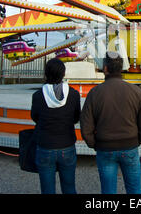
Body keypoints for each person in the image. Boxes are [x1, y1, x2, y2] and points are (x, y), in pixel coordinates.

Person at [80, 51, 141, 194]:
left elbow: (86, 127)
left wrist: (95, 144)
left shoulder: (94, 93)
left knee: (108, 191)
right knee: (134, 190)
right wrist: (136, 141)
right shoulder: (136, 91)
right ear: (122, 68)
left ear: (105, 68)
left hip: (105, 148)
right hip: (130, 146)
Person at [31, 58, 81, 194]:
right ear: (63, 74)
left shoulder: (37, 95)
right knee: (69, 187)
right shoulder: (74, 94)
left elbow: (35, 117)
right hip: (67, 145)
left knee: (47, 189)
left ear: (46, 74)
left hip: (45, 146)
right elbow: (76, 117)